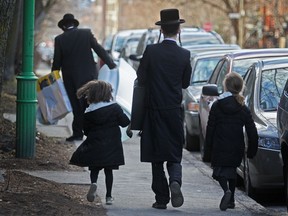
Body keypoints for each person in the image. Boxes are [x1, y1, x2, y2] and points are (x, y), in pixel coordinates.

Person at [136, 9, 192, 209]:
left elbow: (141, 78)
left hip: (153, 111)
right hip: (173, 111)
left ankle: (161, 199)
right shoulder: (185, 55)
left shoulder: (151, 51)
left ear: (161, 29)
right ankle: (175, 181)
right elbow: (185, 83)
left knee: (156, 156)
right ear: (178, 30)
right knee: (174, 153)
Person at [51, 13, 117, 142]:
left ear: (63, 26)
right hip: (89, 77)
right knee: (91, 103)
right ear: (74, 24)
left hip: (70, 79)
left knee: (76, 106)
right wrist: (111, 64)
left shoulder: (59, 39)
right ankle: (93, 132)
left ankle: (77, 133)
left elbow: (57, 62)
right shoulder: (86, 33)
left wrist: (54, 77)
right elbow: (99, 49)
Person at [69, 80, 130, 205]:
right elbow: (125, 122)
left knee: (94, 168)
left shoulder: (89, 111)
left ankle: (94, 183)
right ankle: (108, 196)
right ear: (107, 94)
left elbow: (85, 131)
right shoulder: (114, 108)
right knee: (109, 171)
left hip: (95, 144)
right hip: (111, 146)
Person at [205, 72, 258, 211]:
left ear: (226, 87)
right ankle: (231, 200)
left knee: (219, 172)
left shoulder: (217, 106)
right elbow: (252, 131)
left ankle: (226, 191)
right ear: (240, 87)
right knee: (232, 172)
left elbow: (210, 128)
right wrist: (252, 150)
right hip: (236, 146)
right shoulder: (243, 108)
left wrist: (207, 149)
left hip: (219, 144)